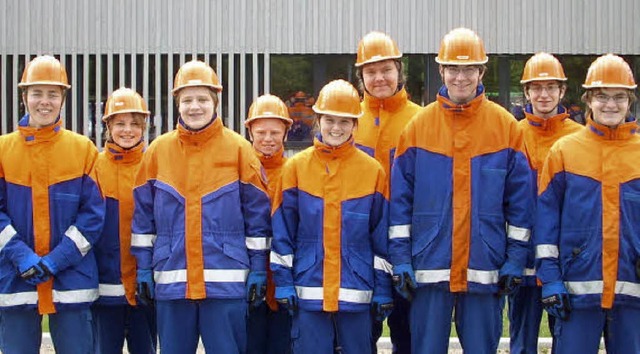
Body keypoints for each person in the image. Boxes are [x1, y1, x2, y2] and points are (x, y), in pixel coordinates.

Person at [389, 28, 534, 353]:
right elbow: (399, 204)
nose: (461, 77)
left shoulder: (505, 127)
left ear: (481, 71)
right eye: (453, 68)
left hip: (486, 267)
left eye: (469, 69)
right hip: (429, 266)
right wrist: (400, 259)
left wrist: (514, 260)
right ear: (441, 70)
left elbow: (521, 205)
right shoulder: (416, 129)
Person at [130, 60, 272, 354]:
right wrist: (143, 268)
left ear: (215, 102)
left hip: (226, 282)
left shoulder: (239, 150)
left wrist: (259, 269)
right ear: (177, 104)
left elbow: (258, 220)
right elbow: (143, 221)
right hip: (172, 281)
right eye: (187, 100)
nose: (195, 107)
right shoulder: (157, 152)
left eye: (202, 99)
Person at [271, 79, 393, 354]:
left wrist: (384, 288)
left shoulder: (373, 172)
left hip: (357, 291)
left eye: (344, 121)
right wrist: (284, 283)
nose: (336, 128)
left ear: (355, 125)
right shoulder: (295, 169)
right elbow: (282, 234)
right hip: (308, 290)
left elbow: (381, 237)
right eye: (329, 120)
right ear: (318, 120)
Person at [0, 55, 105, 353]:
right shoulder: (3, 150)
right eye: (37, 93)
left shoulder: (82, 149)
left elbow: (93, 217)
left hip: (71, 279)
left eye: (52, 94)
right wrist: (21, 256)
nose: (44, 102)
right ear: (24, 97)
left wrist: (56, 260)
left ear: (62, 99)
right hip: (15, 278)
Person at [535, 53, 640, 354]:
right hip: (575, 291)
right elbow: (546, 225)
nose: (610, 104)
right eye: (602, 96)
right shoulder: (565, 152)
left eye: (619, 96)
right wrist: (551, 279)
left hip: (632, 293)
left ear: (629, 100)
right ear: (589, 99)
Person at [509, 52, 584, 354]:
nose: (543, 94)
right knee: (522, 343)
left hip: (565, 260)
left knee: (566, 341)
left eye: (551, 87)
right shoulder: (512, 135)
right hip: (522, 260)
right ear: (526, 92)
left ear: (562, 92)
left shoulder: (580, 138)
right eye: (536, 88)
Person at [353, 30, 422, 354]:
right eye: (371, 71)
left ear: (399, 70)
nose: (379, 77)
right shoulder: (347, 121)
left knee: (408, 336)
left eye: (386, 70)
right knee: (358, 334)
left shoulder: (420, 121)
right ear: (361, 76)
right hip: (359, 248)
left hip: (409, 247)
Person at [93, 87, 157, 354]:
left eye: (134, 124)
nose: (127, 130)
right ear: (108, 126)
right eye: (120, 123)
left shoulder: (155, 164)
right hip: (104, 285)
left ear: (144, 127)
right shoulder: (94, 166)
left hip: (146, 286)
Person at [244, 94, 293, 354]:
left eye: (275, 132)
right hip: (246, 278)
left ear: (286, 132)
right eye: (261, 131)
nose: (268, 138)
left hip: (284, 279)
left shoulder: (295, 170)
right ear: (249, 130)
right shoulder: (239, 169)